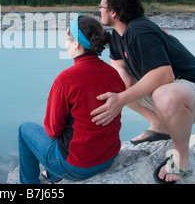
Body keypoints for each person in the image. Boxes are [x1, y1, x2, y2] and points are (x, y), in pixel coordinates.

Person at [91, 0, 195, 184]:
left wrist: (122, 99)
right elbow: (118, 66)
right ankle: (160, 126)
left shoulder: (140, 30)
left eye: (101, 6)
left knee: (164, 94)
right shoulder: (118, 34)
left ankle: (181, 155)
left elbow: (164, 75)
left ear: (114, 12)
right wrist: (120, 88)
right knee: (115, 84)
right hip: (174, 93)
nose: (99, 10)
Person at [18, 15, 125, 184]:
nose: (66, 44)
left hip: (76, 167)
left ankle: (29, 185)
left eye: (67, 39)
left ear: (77, 44)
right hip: (108, 156)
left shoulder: (65, 79)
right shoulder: (113, 73)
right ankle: (52, 175)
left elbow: (52, 130)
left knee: (25, 130)